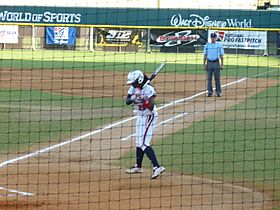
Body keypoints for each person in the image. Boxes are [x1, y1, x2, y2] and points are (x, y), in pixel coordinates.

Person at [125, 70, 165, 179]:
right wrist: (134, 97)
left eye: (133, 82)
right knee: (138, 142)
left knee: (143, 143)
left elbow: (151, 106)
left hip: (149, 117)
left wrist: (143, 99)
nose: (132, 84)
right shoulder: (134, 88)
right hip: (140, 116)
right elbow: (127, 101)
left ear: (140, 80)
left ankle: (157, 167)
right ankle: (138, 166)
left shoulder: (149, 89)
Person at [203, 32, 224, 97]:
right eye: (212, 37)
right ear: (210, 38)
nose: (213, 39)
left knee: (217, 78)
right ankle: (210, 92)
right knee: (209, 79)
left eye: (214, 38)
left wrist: (222, 64)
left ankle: (218, 92)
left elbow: (221, 55)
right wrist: (204, 64)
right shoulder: (207, 45)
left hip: (216, 62)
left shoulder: (219, 45)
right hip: (209, 63)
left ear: (216, 38)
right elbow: (205, 55)